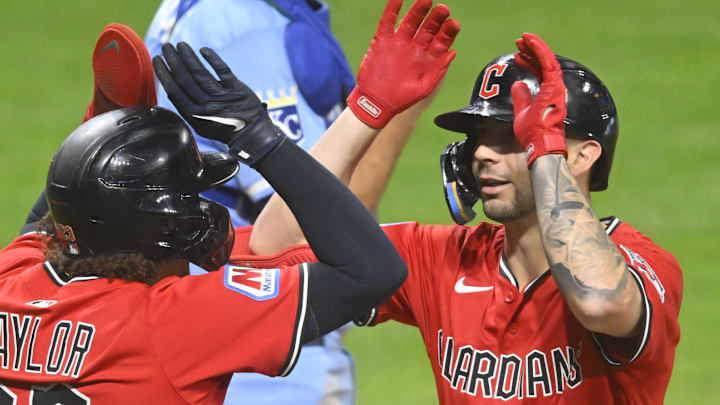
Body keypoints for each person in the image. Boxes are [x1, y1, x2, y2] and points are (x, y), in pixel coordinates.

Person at [2, 1, 458, 402]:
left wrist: (105, 130)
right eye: (190, 200)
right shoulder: (178, 322)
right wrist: (260, 138)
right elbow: (373, 271)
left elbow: (43, 227)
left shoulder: (14, 279)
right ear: (162, 233)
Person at [249, 33, 683, 404]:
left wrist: (546, 154)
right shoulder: (438, 259)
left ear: (583, 155)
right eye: (478, 137)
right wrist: (367, 110)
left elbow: (600, 302)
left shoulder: (638, 265)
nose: (481, 154)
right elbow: (275, 249)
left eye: (514, 137)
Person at [143, 1, 447, 403]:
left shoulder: (213, 12)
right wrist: (393, 108)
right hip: (260, 353)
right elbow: (301, 231)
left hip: (206, 330)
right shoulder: (248, 29)